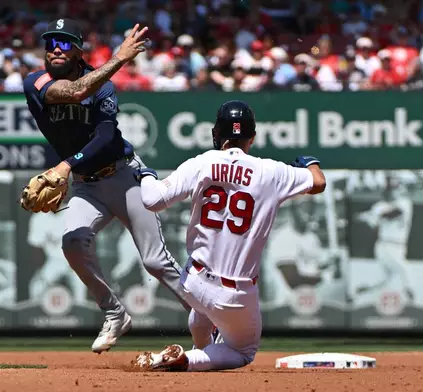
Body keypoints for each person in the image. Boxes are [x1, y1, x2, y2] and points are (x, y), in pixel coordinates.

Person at [22, 19, 191, 353]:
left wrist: (66, 164)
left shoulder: (103, 86)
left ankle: (208, 319)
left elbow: (104, 136)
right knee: (72, 242)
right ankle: (114, 312)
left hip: (124, 176)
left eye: (66, 43)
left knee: (156, 261)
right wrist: (119, 59)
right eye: (51, 42)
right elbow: (73, 92)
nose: (56, 48)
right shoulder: (35, 81)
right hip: (87, 185)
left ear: (79, 50)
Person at [131, 100, 326, 371]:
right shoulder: (272, 172)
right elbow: (318, 182)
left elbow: (152, 199)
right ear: (253, 138)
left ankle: (198, 349)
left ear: (216, 134)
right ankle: (187, 360)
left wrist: (147, 176)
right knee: (243, 351)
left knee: (202, 309)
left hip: (194, 281)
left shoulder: (203, 162)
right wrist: (311, 163)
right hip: (235, 293)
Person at [355, 174, 415, 302]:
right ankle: (411, 299)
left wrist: (374, 215)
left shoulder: (405, 203)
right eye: (390, 189)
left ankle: (360, 294)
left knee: (384, 280)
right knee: (406, 271)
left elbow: (393, 214)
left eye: (396, 188)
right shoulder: (379, 206)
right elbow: (374, 225)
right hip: (386, 245)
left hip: (399, 247)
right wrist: (369, 217)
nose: (393, 192)